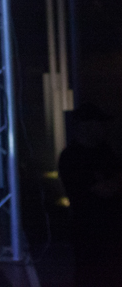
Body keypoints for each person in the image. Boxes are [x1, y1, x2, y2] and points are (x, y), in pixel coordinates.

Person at [57, 102, 122, 286]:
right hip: (88, 231)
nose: (104, 128)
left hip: (111, 230)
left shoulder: (104, 150)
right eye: (99, 123)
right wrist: (111, 183)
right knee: (91, 275)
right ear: (86, 126)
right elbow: (104, 190)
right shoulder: (72, 156)